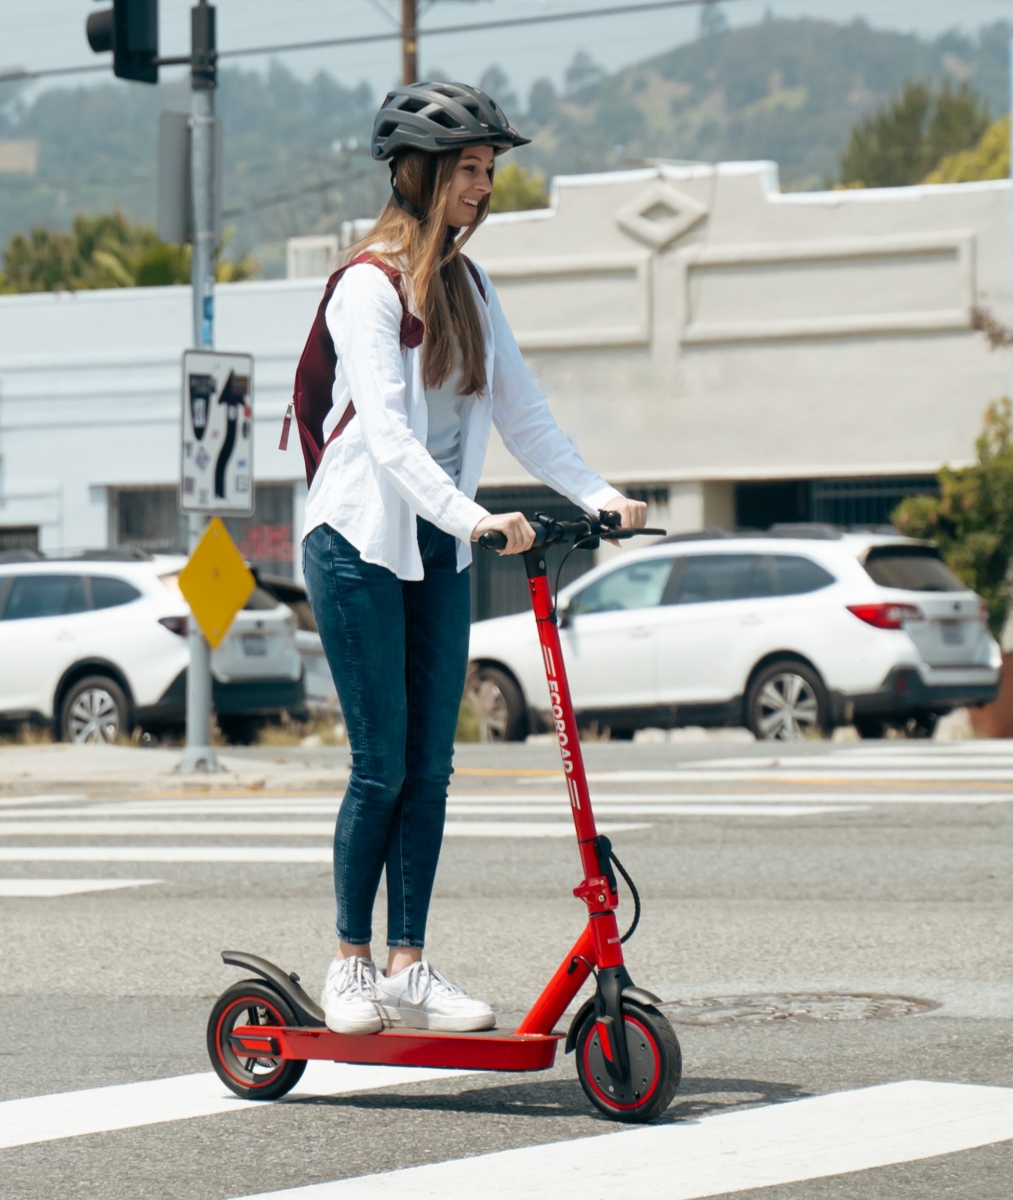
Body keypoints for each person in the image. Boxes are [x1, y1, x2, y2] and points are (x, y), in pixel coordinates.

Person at [301, 80, 647, 1035]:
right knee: (381, 765)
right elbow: (385, 438)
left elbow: (525, 415)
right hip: (359, 544)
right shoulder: (367, 287)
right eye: (469, 170)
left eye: (490, 172)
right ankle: (350, 964)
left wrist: (597, 496)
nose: (484, 187)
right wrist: (475, 516)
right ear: (417, 174)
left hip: (437, 546)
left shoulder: (471, 287)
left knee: (433, 765)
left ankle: (409, 964)